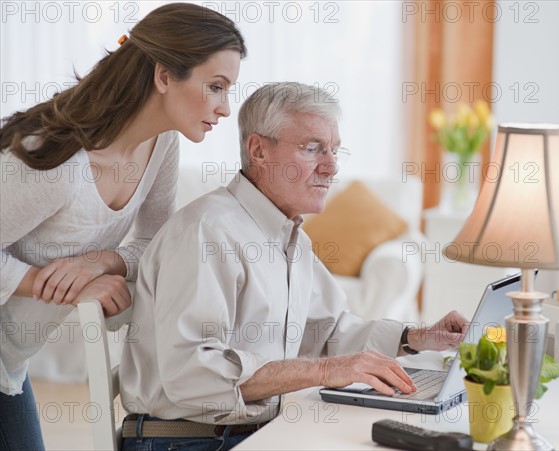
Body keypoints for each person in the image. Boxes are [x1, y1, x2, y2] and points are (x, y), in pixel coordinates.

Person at [119, 82, 469, 451]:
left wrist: (415, 337)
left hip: (249, 432)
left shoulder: (291, 238)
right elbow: (192, 374)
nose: (331, 166)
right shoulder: (206, 233)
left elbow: (328, 331)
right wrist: (323, 371)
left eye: (334, 150)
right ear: (258, 150)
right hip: (187, 442)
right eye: (312, 148)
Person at [0, 3, 246, 449]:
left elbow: (155, 241)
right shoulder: (57, 161)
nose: (225, 109)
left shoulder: (162, 145)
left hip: (8, 361)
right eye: (215, 87)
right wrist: (56, 284)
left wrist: (103, 261)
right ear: (164, 76)